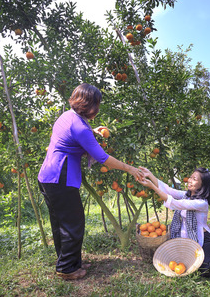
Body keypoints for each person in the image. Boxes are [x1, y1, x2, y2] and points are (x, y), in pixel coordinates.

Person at [38, 83, 143, 280]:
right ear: (91, 105)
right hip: (60, 177)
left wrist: (92, 130)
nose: (98, 108)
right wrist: (130, 168)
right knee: (72, 223)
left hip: (48, 176)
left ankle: (69, 262)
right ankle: (67, 269)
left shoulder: (68, 116)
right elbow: (103, 158)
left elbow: (74, 133)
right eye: (97, 104)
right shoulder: (79, 126)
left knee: (61, 222)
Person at [138, 166, 210, 280]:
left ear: (203, 185)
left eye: (194, 179)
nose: (190, 180)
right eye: (190, 177)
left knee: (205, 268)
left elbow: (175, 203)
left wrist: (151, 186)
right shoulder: (187, 196)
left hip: (205, 240)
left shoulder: (201, 203)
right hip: (190, 240)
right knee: (189, 266)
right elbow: (168, 190)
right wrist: (150, 174)